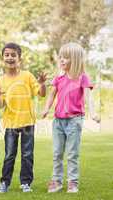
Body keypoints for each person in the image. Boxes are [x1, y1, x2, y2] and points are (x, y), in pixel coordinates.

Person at [42, 42, 100, 193]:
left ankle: (73, 182)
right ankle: (57, 181)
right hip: (58, 121)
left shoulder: (83, 78)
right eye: (60, 57)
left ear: (74, 59)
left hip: (74, 120)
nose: (61, 60)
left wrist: (93, 113)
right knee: (57, 153)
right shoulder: (59, 78)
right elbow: (51, 95)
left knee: (72, 153)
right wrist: (46, 109)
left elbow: (88, 97)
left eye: (65, 57)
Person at [0, 42, 46, 193]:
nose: (10, 58)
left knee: (27, 154)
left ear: (19, 58)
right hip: (10, 123)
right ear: (3, 58)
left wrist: (42, 84)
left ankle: (25, 183)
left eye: (13, 55)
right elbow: (1, 105)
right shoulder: (1, 80)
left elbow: (41, 94)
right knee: (9, 154)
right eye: (7, 55)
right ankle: (5, 183)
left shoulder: (27, 76)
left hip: (28, 122)